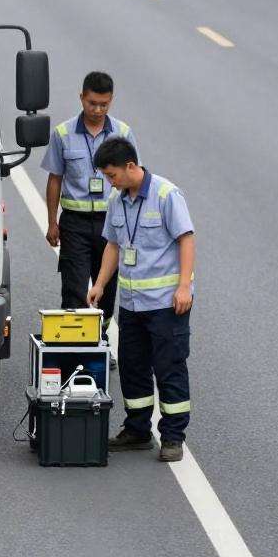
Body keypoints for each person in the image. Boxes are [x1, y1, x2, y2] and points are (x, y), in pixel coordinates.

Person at [88, 137, 195, 463]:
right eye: (107, 177)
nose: (110, 181)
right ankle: (137, 430)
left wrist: (184, 287)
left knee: (169, 368)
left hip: (165, 303)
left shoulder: (166, 195)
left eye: (113, 175)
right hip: (132, 304)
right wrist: (101, 284)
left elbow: (186, 240)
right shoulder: (117, 200)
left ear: (130, 166)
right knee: (133, 368)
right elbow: (114, 246)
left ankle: (173, 436)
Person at [41, 72, 137, 353]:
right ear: (81, 97)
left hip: (111, 225)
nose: (97, 110)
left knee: (105, 288)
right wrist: (51, 222)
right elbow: (55, 178)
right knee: (73, 287)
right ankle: (75, 346)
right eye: (92, 103)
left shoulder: (123, 133)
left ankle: (100, 340)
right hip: (75, 223)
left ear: (111, 102)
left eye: (104, 105)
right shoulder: (62, 134)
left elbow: (133, 181)